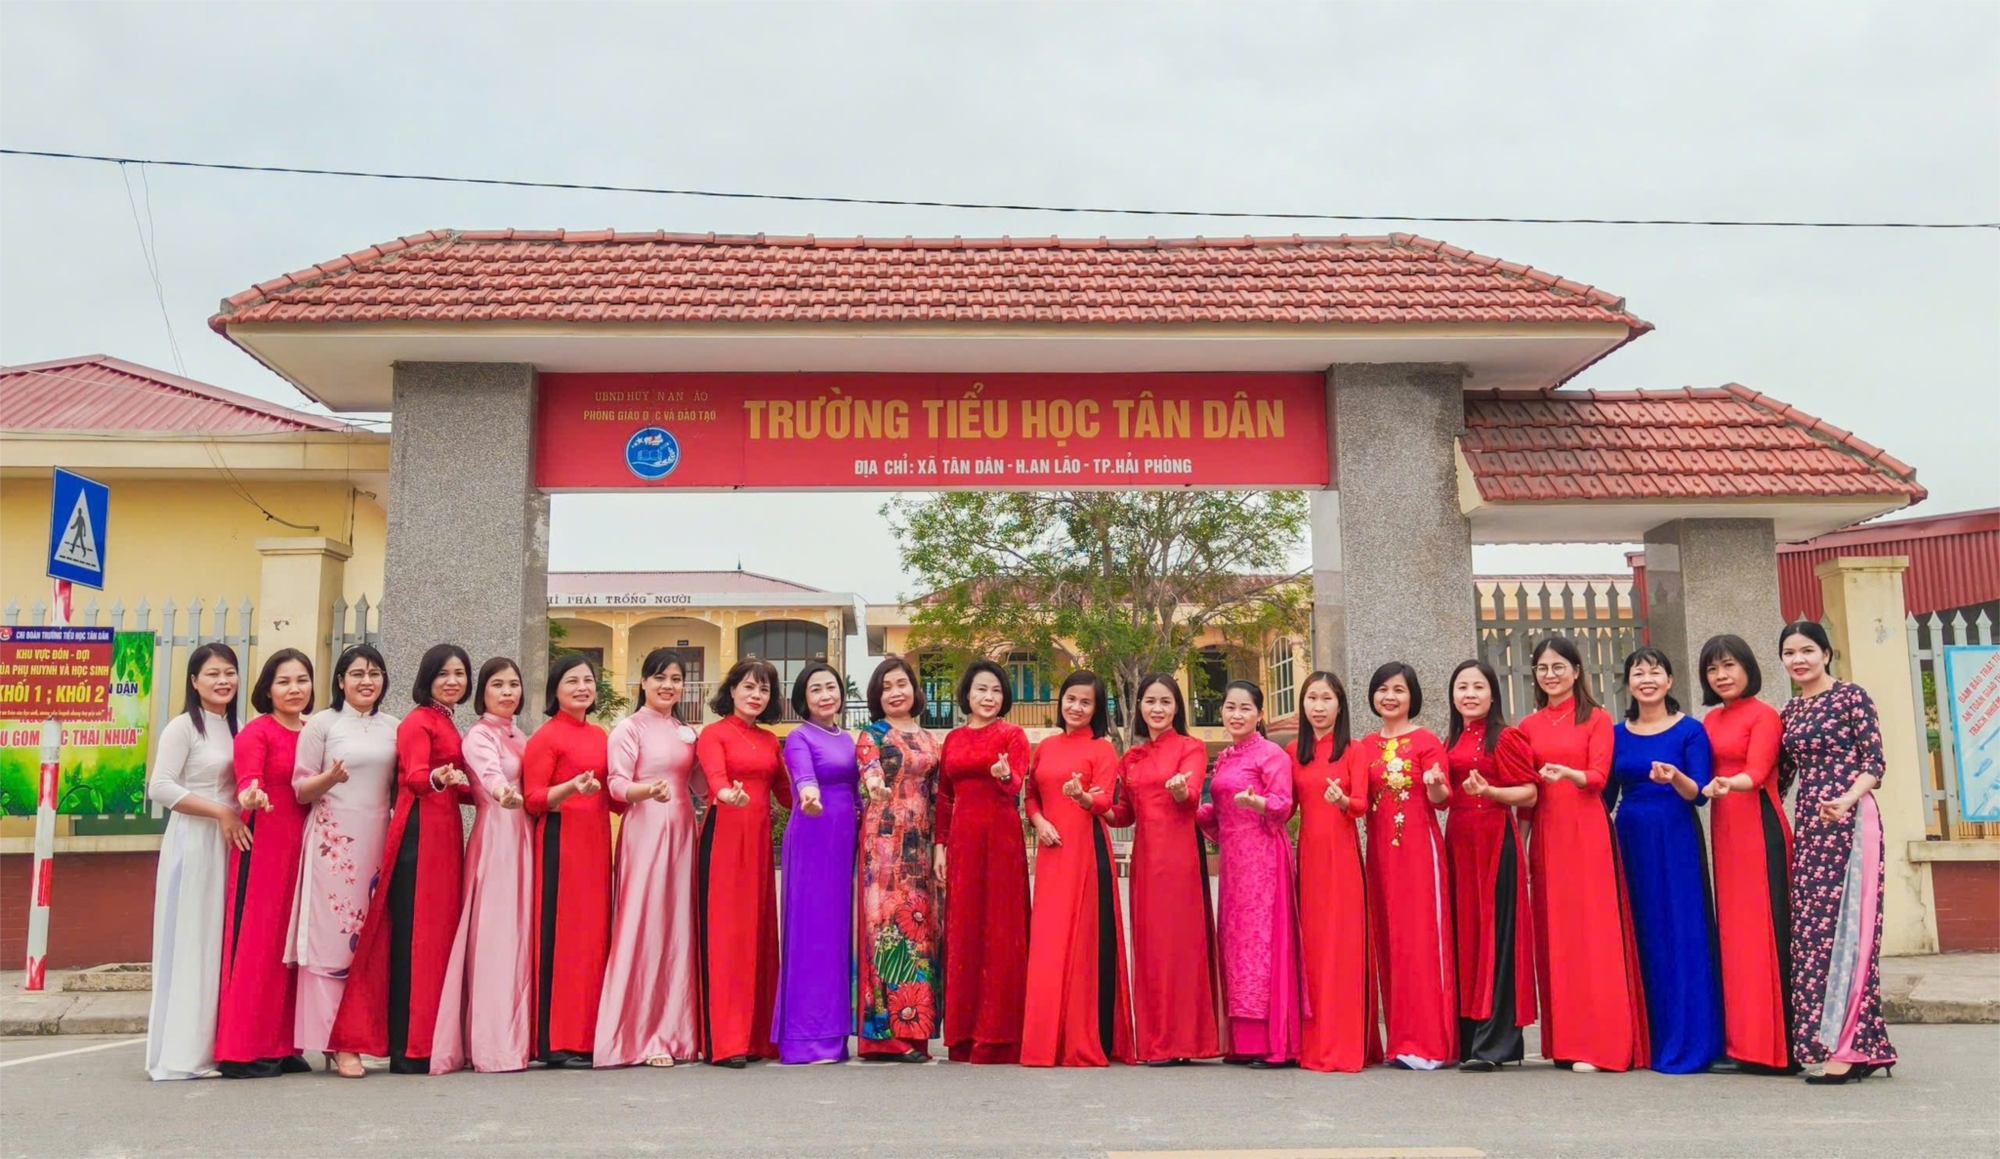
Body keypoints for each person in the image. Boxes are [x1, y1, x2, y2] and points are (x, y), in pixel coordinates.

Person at [330, 643, 473, 1074]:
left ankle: (432, 1039)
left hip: (444, 833)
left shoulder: (445, 721)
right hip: (420, 833)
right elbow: (414, 777)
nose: (452, 681)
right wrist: (439, 778)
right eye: (443, 673)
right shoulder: (417, 721)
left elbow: (459, 785)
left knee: (438, 934)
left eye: (459, 674)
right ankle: (410, 1047)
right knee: (418, 937)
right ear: (427, 678)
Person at [1516, 636, 1649, 1073]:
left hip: (1586, 832)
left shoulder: (1596, 718)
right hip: (1547, 833)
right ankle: (1566, 1041)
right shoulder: (1528, 726)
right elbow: (1527, 794)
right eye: (1542, 668)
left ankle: (1601, 1043)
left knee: (1593, 934)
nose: (1550, 675)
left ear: (1576, 671)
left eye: (1559, 666)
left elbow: (1598, 776)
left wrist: (1569, 773)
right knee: (1557, 934)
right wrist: (1521, 841)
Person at [1777, 621, 1898, 1084]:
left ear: (1826, 654)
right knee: (1813, 936)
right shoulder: (1790, 710)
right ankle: (1841, 1043)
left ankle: (1850, 1048)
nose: (1799, 660)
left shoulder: (1851, 697)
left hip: (1851, 822)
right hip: (1811, 827)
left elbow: (1874, 763)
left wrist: (1846, 799)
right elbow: (1781, 777)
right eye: (1790, 653)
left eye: (1807, 650)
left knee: (1851, 930)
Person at [289, 644, 399, 1077]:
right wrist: (329, 778)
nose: (366, 681)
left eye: (374, 673)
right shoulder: (322, 724)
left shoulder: (394, 727)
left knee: (369, 941)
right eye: (357, 674)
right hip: (333, 846)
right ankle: (335, 1042)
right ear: (340, 681)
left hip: (378, 841)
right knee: (332, 940)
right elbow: (300, 789)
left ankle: (361, 1034)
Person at [1611, 647, 1722, 1075]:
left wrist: (1675, 777)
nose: (1647, 680)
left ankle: (1691, 1038)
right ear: (1629, 683)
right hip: (1630, 838)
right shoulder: (1616, 734)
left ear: (1670, 681)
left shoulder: (1690, 730)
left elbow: (1700, 793)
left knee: (1681, 929)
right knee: (1640, 932)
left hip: (1676, 836)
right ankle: (1643, 1038)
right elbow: (1603, 796)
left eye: (1655, 672)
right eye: (1638, 673)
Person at [1108, 674, 1224, 1066]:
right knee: (1151, 945)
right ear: (1139, 706)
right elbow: (1124, 813)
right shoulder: (1131, 757)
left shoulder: (1191, 747)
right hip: (1145, 859)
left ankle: (1185, 1041)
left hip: (1178, 859)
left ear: (1177, 707)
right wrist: (1092, 804)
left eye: (1165, 702)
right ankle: (1156, 1040)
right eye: (1150, 701)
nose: (1157, 708)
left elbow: (1190, 797)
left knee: (1180, 945)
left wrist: (1179, 791)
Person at [595, 648, 703, 1068]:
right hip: (645, 830)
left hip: (682, 832)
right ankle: (642, 1034)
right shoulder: (628, 728)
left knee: (677, 926)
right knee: (644, 924)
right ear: (643, 683)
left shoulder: (685, 732)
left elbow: (702, 785)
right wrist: (648, 791)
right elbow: (616, 784)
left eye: (675, 679)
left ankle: (679, 1031)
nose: (667, 686)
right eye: (659, 678)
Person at [1021, 669, 1133, 1067]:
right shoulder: (1046, 747)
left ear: (1096, 708)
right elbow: (1031, 795)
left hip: (1086, 850)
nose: (1076, 707)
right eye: (1071, 699)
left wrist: (1082, 796)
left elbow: (1104, 801)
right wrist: (1039, 822)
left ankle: (1083, 1036)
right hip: (1052, 852)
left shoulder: (1102, 749)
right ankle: (1045, 1039)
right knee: (1049, 943)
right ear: (1061, 701)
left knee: (1085, 941)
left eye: (1086, 702)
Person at [145, 644, 244, 1081]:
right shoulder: (183, 727)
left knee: (222, 944)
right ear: (194, 681)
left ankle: (221, 1045)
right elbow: (160, 787)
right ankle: (184, 1053)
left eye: (229, 672)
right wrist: (220, 811)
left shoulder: (240, 728)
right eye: (212, 674)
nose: (223, 681)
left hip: (232, 843)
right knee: (194, 941)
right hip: (196, 842)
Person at [214, 648, 314, 1079]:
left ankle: (283, 1045)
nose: (294, 689)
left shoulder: (314, 731)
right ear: (267, 689)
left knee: (292, 950)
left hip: (305, 849)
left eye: (302, 680)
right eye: (284, 681)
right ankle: (242, 1049)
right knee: (259, 944)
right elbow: (247, 780)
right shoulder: (257, 732)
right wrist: (251, 795)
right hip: (264, 847)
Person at [432, 657, 535, 1074]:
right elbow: (490, 776)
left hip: (523, 834)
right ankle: (492, 1045)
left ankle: (519, 1037)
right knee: (496, 938)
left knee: (520, 935)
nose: (508, 692)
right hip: (497, 836)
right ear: (483, 692)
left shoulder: (518, 734)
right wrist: (503, 793)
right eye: (498, 685)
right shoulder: (478, 735)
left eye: (514, 684)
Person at [1698, 634, 1795, 1075]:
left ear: (1747, 668)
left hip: (1759, 827)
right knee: (1735, 938)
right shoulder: (1710, 720)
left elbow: (1755, 773)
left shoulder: (1765, 715)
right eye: (1712, 669)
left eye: (1729, 665)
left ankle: (1779, 1048)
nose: (1721, 675)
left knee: (1766, 935)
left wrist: (1727, 783)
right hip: (1726, 833)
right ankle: (1743, 1043)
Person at [1353, 662, 1457, 1070]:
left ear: (1412, 695)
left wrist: (1436, 785)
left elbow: (1442, 800)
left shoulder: (1426, 741)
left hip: (1418, 854)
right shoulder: (1363, 747)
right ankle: (1400, 1041)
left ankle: (1431, 1043)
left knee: (1421, 942)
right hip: (1380, 856)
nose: (1389, 697)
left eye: (1398, 689)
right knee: (1391, 942)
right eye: (1382, 689)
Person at [1196, 680, 1302, 1068]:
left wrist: (1257, 803)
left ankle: (1274, 1043)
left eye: (1245, 708)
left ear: (1260, 714)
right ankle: (1243, 1041)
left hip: (1264, 858)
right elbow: (1219, 816)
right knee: (1236, 944)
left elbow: (1283, 805)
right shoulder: (1225, 757)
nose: (1236, 715)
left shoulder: (1271, 754)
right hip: (1234, 864)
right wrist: (1189, 807)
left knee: (1263, 944)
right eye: (1230, 707)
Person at [1441, 659, 1538, 1072]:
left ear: (1493, 694)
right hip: (1459, 844)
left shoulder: (1506, 736)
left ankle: (1495, 1043)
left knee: (1495, 936)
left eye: (1478, 687)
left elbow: (1530, 793)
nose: (1469, 694)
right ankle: (1467, 1038)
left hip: (1495, 841)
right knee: (1466, 936)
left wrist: (1493, 792)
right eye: (1462, 687)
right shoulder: (1450, 740)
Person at [694, 657, 792, 1067]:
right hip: (723, 839)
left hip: (758, 847)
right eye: (749, 686)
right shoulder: (713, 734)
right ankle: (726, 1041)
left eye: (764, 689)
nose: (756, 695)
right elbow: (715, 777)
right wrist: (725, 794)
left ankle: (756, 1038)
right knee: (726, 937)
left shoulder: (770, 741)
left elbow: (787, 794)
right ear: (731, 690)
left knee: (758, 935)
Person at [936, 658, 1032, 1064]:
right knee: (964, 931)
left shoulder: (1012, 735)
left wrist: (1003, 774)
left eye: (995, 690)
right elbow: (944, 797)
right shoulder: (954, 739)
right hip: (962, 843)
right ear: (967, 694)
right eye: (981, 689)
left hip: (1002, 842)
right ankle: (962, 1034)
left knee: (1002, 932)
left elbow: (1015, 785)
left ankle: (1000, 1035)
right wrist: (939, 846)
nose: (988, 697)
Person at [522, 653, 614, 1068]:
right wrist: (572, 788)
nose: (582, 688)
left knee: (593, 940)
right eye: (572, 681)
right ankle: (555, 1040)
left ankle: (588, 1034)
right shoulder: (546, 737)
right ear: (555, 690)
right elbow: (534, 799)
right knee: (561, 939)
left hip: (596, 845)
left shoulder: (600, 735)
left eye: (588, 681)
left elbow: (612, 795)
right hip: (561, 844)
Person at [1286, 670, 1379, 1073]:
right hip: (1308, 859)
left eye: (1326, 699)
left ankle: (1343, 1043)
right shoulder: (1294, 751)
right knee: (1313, 949)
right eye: (1312, 698)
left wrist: (1342, 800)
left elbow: (1361, 803)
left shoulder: (1354, 750)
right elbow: (1286, 806)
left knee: (1342, 948)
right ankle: (1313, 1041)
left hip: (1342, 860)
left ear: (1340, 705)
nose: (1319, 707)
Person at [854, 656, 943, 1062]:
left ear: (914, 689)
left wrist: (941, 846)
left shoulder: (930, 740)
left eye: (901, 684)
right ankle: (885, 1037)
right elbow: (870, 771)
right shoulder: (872, 735)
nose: (895, 692)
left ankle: (916, 1032)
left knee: (921, 932)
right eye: (886, 686)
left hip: (920, 846)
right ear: (877, 695)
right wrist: (876, 787)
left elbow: (939, 795)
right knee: (888, 931)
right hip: (885, 847)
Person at [775, 662, 861, 1065]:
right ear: (803, 699)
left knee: (841, 934)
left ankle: (835, 1036)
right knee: (813, 931)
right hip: (814, 834)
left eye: (831, 687)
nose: (826, 695)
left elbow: (858, 792)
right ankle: (805, 1038)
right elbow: (803, 776)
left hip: (847, 840)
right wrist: (809, 794)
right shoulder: (799, 737)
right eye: (816, 690)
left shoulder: (848, 739)